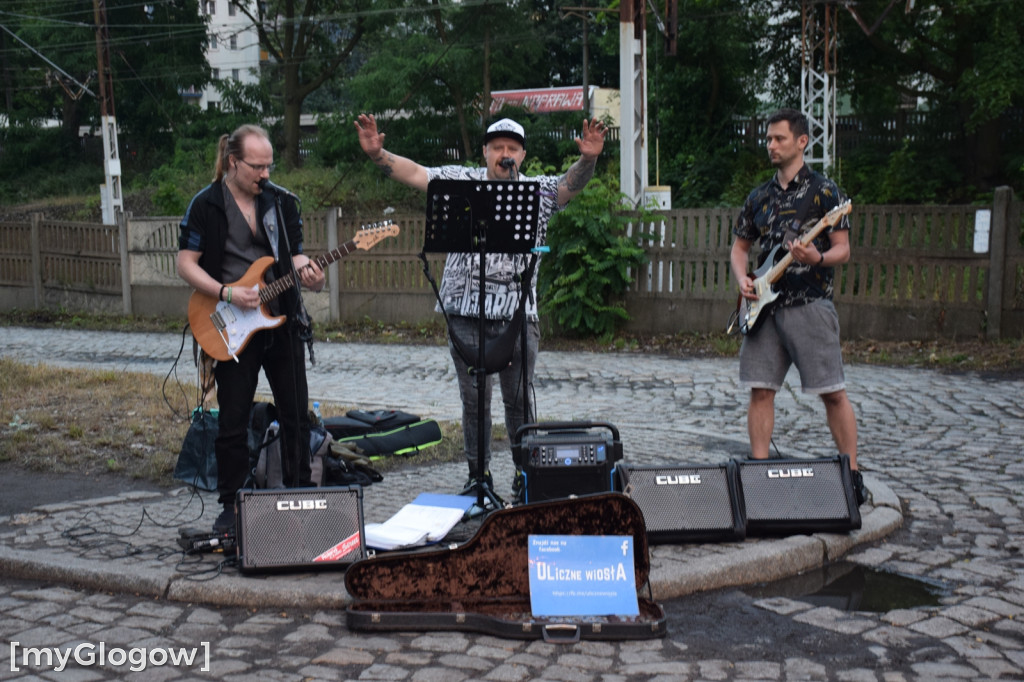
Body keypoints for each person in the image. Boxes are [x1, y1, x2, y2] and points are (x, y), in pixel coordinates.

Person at [355, 114, 607, 500]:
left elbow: (568, 186)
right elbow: (417, 173)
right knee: (474, 401)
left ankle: (528, 477)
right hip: (465, 312)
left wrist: (588, 160)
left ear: (522, 154)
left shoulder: (536, 191)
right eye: (497, 148)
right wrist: (378, 154)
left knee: (519, 400)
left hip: (518, 315)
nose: (504, 155)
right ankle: (478, 477)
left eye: (512, 149)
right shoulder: (462, 182)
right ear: (486, 152)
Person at [177, 124, 325, 531]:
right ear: (232, 162)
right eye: (257, 166)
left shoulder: (281, 203)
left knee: (296, 414)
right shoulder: (206, 204)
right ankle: (232, 505)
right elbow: (185, 262)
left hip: (281, 319)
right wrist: (225, 293)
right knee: (233, 418)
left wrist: (312, 274)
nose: (265, 174)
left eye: (269, 165)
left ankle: (300, 496)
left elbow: (293, 257)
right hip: (230, 325)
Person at [729, 108, 867, 506]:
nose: (771, 145)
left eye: (779, 139)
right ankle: (759, 478)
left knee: (833, 393)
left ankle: (852, 476)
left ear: (802, 141)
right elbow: (739, 249)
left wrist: (816, 258)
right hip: (764, 309)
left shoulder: (827, 193)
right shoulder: (758, 197)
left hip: (810, 305)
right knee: (760, 391)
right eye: (769, 139)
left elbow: (842, 248)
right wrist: (743, 279)